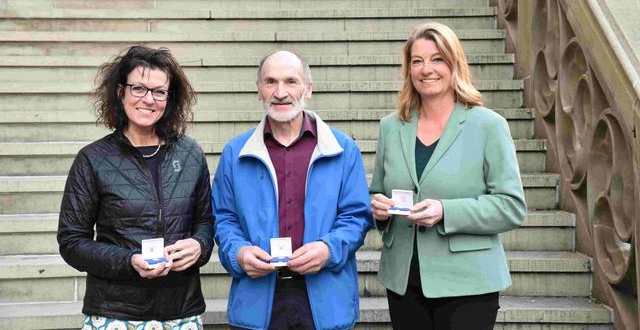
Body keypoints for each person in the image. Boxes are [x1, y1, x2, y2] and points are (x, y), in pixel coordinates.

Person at [369, 22, 527, 330]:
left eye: (437, 58)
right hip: (404, 281)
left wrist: (445, 211)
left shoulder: (488, 125)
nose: (426, 69)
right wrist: (379, 210)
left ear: (454, 64)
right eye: (417, 61)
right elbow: (376, 190)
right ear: (408, 69)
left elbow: (511, 206)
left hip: (468, 283)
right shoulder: (391, 127)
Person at [212, 50, 373, 330]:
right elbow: (224, 219)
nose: (280, 92)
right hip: (258, 301)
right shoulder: (234, 153)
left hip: (324, 301)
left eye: (291, 81)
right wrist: (238, 252)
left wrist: (328, 248)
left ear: (307, 88)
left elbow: (357, 216)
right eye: (270, 82)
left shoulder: (343, 149)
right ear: (259, 91)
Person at [57, 45, 214, 329]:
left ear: (170, 98)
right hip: (115, 313)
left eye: (159, 91)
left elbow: (205, 220)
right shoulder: (92, 159)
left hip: (181, 311)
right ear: (121, 92)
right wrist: (129, 261)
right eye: (138, 88)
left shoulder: (190, 153)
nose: (148, 99)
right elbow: (71, 242)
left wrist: (199, 245)